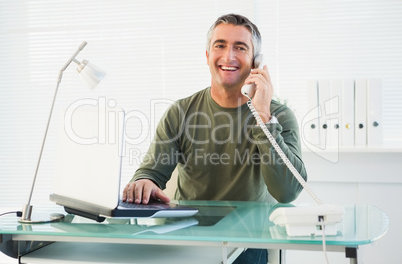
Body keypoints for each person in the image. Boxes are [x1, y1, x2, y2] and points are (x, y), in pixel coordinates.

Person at [123, 14, 307, 263]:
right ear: (207, 56)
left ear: (256, 62)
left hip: (246, 245)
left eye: (240, 48)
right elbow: (150, 172)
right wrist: (143, 182)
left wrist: (263, 117)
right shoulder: (181, 112)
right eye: (220, 45)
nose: (228, 56)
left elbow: (287, 192)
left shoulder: (279, 117)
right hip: (186, 240)